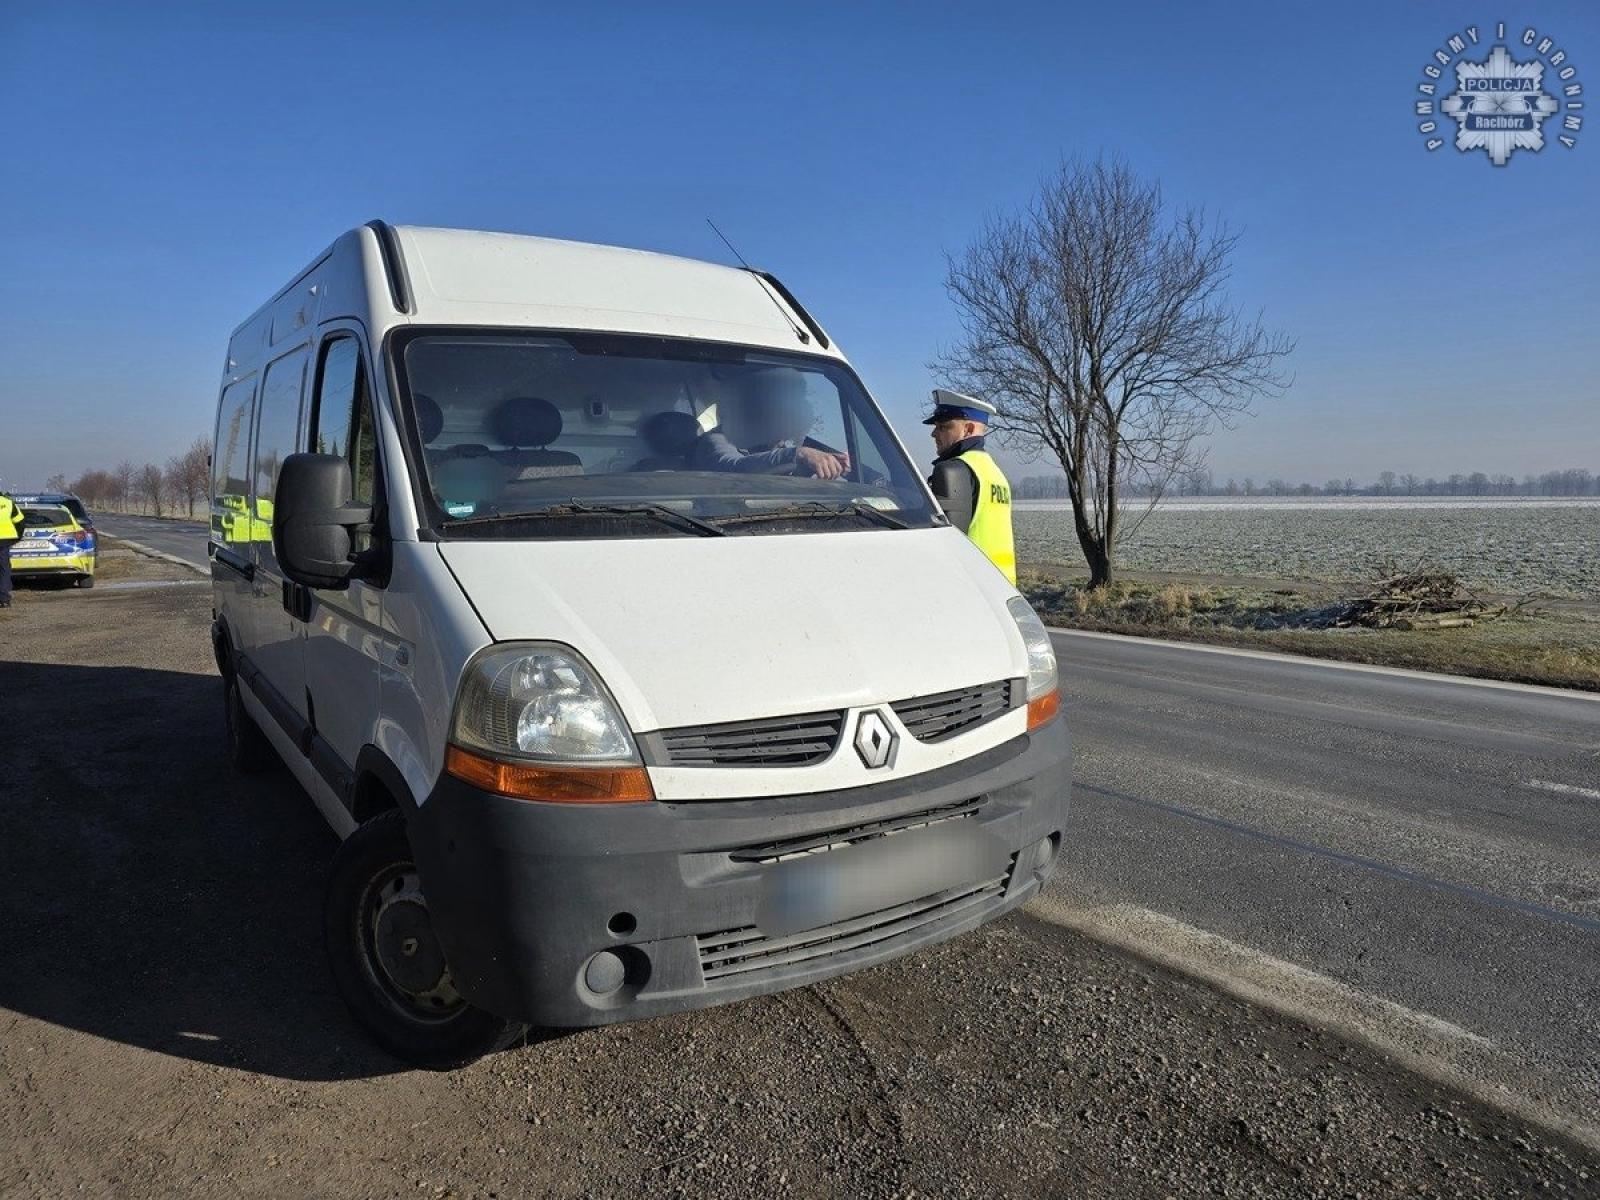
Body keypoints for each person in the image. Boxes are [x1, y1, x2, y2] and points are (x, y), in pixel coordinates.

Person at [925, 389, 1016, 583]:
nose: (934, 433)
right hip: (1001, 588)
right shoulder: (995, 473)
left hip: (970, 587)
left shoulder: (953, 471)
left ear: (968, 430)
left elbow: (940, 545)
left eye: (943, 427)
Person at [691, 368, 850, 478]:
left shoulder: (778, 447)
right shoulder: (716, 440)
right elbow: (735, 468)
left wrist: (833, 467)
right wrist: (798, 455)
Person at [0, 491, 24, 608]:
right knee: (4, 568)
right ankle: (3, 599)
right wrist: (18, 537)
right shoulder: (8, 503)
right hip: (5, 540)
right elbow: (20, 521)